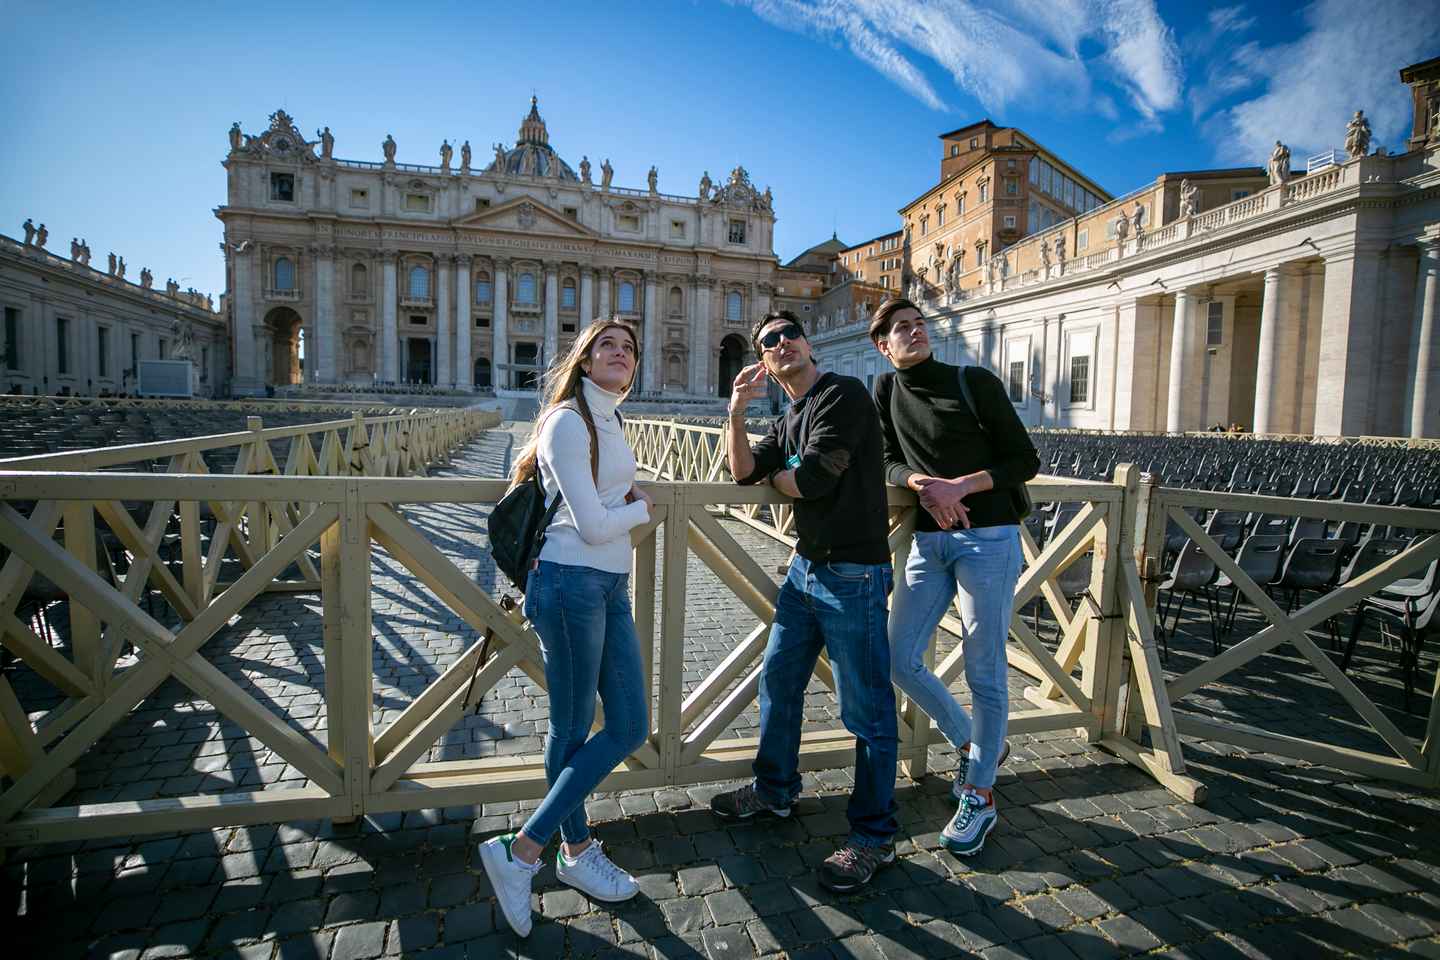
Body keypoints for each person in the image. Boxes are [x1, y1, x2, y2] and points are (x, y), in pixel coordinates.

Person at [710, 309, 899, 893]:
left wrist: (785, 475)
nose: (783, 341)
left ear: (809, 343)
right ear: (764, 361)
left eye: (791, 332)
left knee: (865, 710)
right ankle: (775, 791)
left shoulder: (843, 395)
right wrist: (736, 412)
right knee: (778, 683)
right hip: (805, 571)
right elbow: (743, 473)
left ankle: (874, 835)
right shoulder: (787, 417)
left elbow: (812, 480)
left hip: (854, 573)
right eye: (770, 340)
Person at [479, 318, 653, 938]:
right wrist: (640, 507)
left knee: (629, 725)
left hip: (607, 585)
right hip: (569, 582)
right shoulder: (567, 422)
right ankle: (542, 851)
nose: (620, 353)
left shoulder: (611, 419)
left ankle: (551, 852)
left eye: (629, 348)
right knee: (574, 728)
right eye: (608, 345)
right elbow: (593, 525)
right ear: (583, 360)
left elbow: (606, 507)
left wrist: (624, 501)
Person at [869, 297, 1039, 857]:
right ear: (883, 346)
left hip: (989, 538)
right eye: (902, 328)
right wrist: (921, 485)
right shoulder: (885, 390)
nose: (915, 332)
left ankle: (980, 793)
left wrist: (960, 486)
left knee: (983, 666)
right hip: (927, 539)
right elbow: (886, 459)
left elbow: (1024, 460)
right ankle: (972, 743)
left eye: (919, 324)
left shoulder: (974, 381)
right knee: (897, 657)